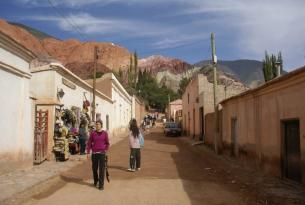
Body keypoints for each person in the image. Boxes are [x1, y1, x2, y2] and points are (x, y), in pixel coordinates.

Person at [86, 120, 109, 190]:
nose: (97, 125)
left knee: (102, 169)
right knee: (94, 169)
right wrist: (88, 152)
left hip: (102, 154)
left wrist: (105, 149)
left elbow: (107, 143)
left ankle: (101, 185)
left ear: (101, 125)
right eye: (96, 124)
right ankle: (96, 181)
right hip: (94, 154)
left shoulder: (105, 133)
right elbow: (89, 143)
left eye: (98, 124)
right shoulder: (93, 133)